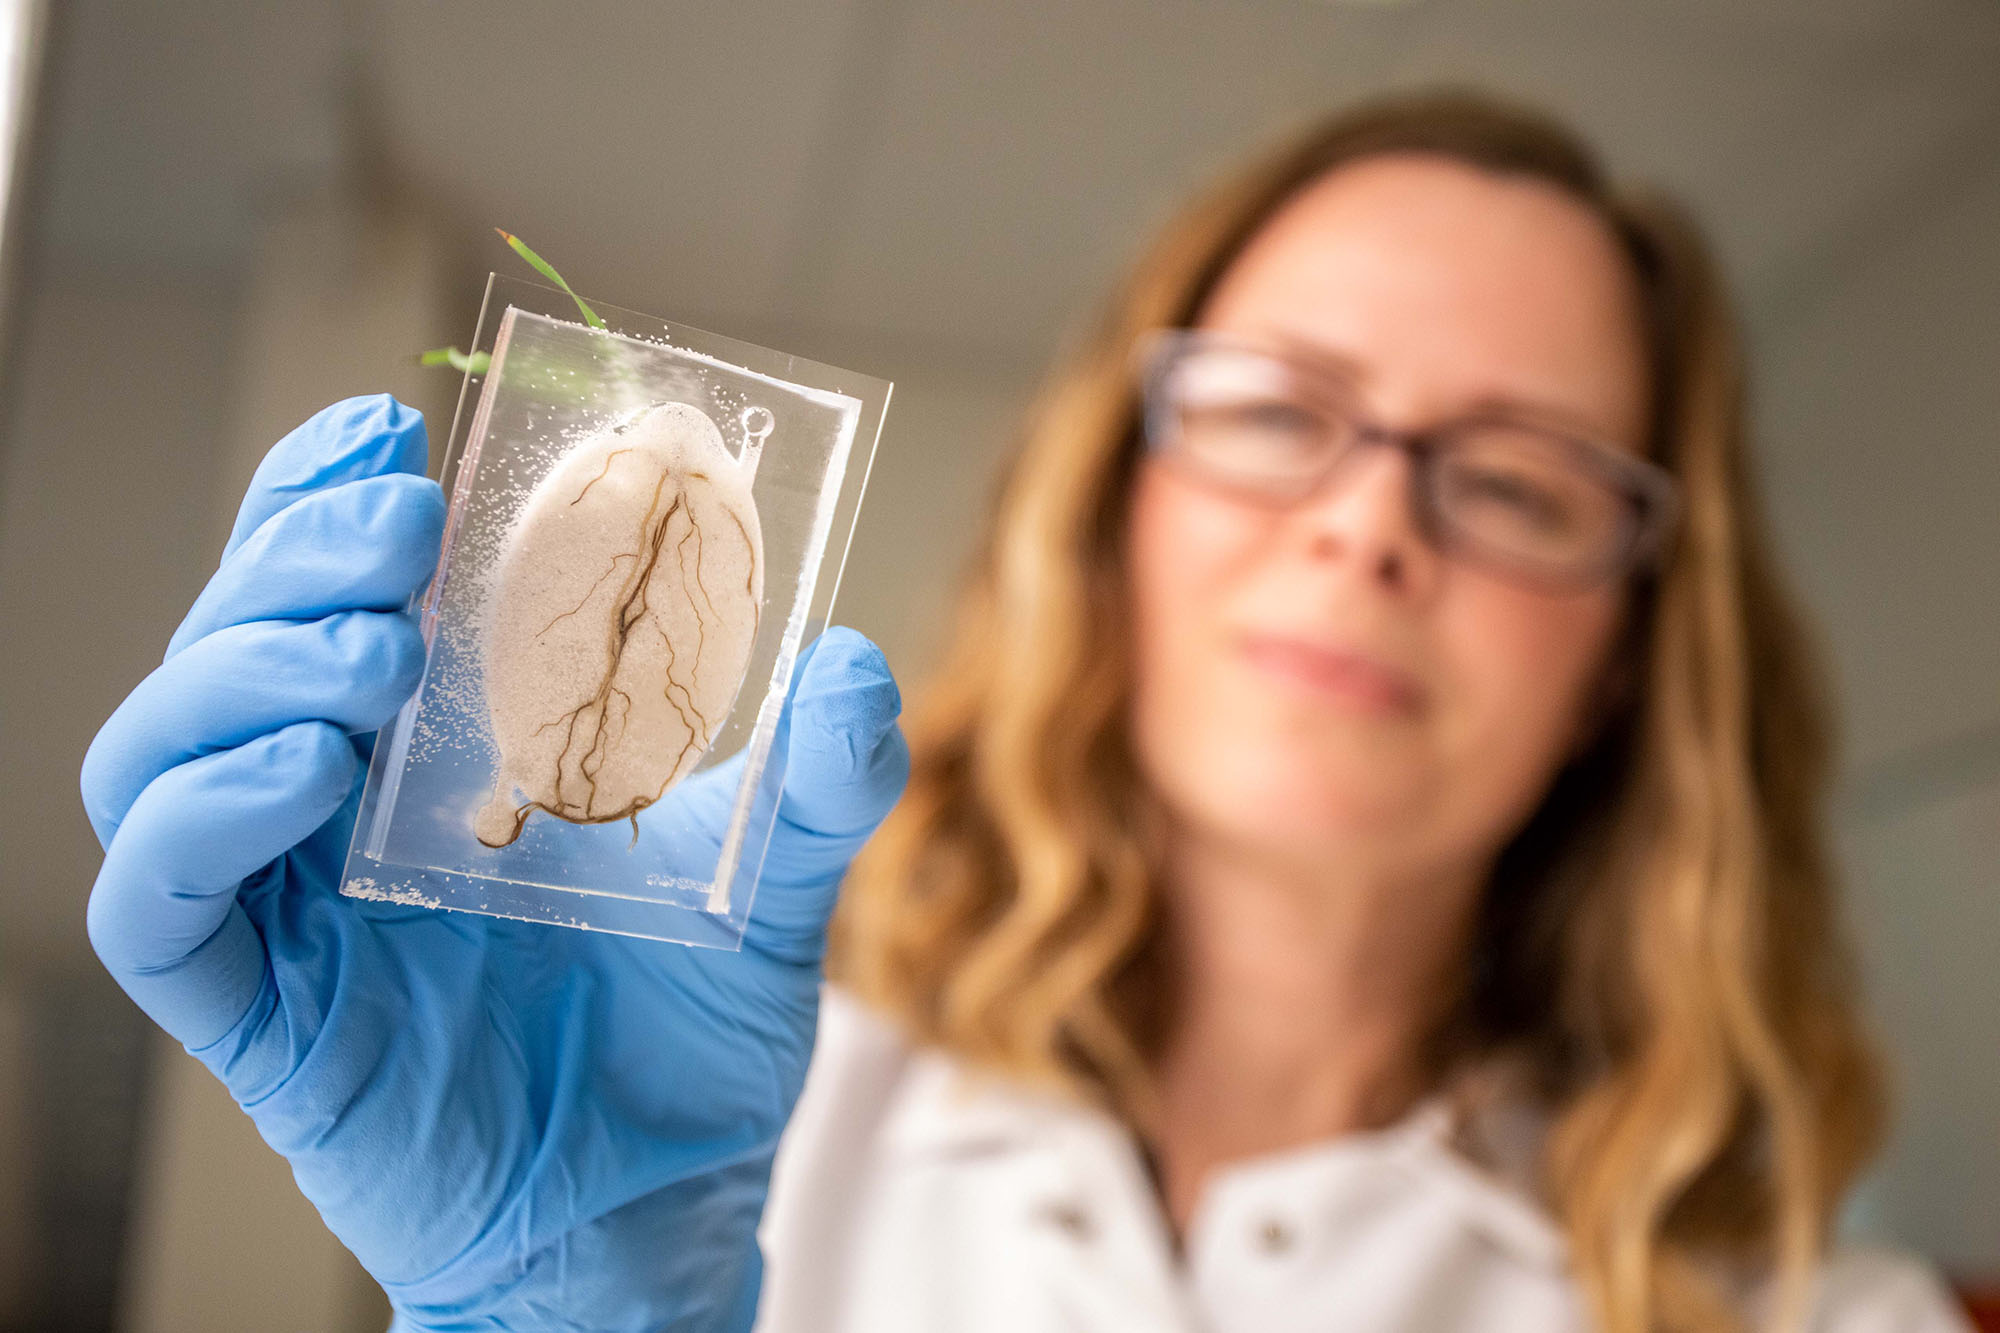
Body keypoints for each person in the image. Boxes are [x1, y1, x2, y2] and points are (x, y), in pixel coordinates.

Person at [77, 87, 1971, 1333]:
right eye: (1274, 408)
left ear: (1630, 655)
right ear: (1116, 509)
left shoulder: (1823, 1315)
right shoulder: (746, 1095)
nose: (1370, 524)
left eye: (1525, 480)